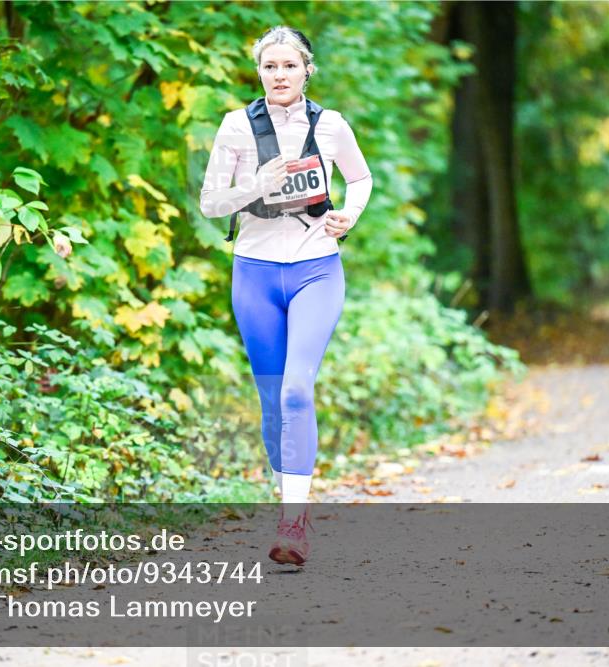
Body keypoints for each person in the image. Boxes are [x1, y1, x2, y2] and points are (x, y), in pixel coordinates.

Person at [199, 26, 373, 565]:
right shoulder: (235, 126)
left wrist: (349, 216)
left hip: (315, 270)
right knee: (272, 401)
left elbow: (361, 178)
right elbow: (209, 204)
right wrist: (258, 182)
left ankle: (292, 525)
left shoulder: (332, 124)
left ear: (307, 70)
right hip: (253, 273)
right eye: (270, 66)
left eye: (290, 66)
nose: (280, 75)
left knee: (298, 389)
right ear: (259, 72)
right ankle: (288, 499)